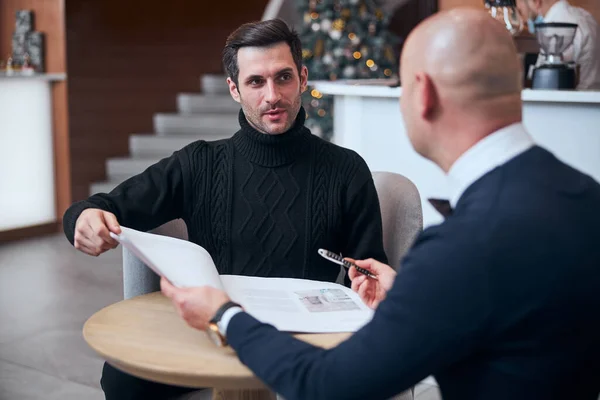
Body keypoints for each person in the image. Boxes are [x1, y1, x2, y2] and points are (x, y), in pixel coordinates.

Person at [161, 8, 600, 400]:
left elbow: (326, 386)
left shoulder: (458, 250)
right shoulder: (587, 196)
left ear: (422, 93)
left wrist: (225, 316)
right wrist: (408, 292)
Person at [63, 19, 388, 400]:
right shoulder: (199, 163)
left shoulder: (346, 170)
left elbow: (369, 273)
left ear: (302, 78)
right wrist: (82, 219)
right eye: (255, 82)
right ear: (234, 89)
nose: (272, 95)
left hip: (304, 341)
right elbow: (103, 206)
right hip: (213, 329)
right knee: (121, 379)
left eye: (283, 77)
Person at [518, 0, 600, 89]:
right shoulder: (585, 16)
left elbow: (550, 85)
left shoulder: (557, 25)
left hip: (571, 99)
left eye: (520, 12)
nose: (524, 20)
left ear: (536, 2)